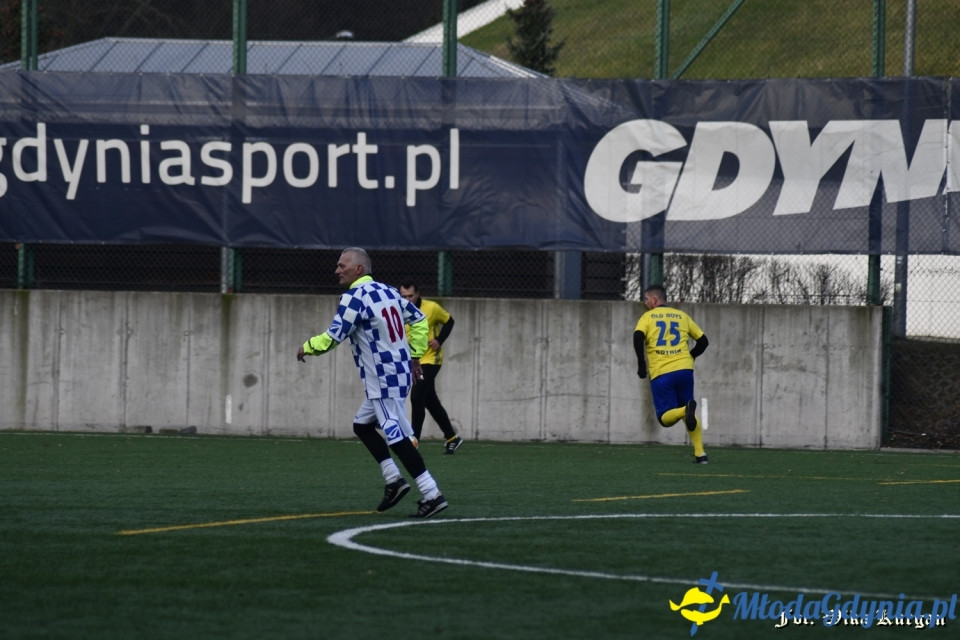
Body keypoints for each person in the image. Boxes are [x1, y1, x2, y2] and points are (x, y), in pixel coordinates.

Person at [296, 248, 448, 518]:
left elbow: (335, 335)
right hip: (397, 373)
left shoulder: (354, 297)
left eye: (342, 265)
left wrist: (307, 347)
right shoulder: (388, 291)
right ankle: (394, 480)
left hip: (383, 379)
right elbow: (419, 319)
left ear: (358, 269)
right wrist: (415, 355)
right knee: (362, 426)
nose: (337, 270)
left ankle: (432, 494)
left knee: (397, 438)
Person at [633, 284, 710, 464]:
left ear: (654, 300)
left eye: (646, 299)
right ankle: (701, 454)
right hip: (685, 370)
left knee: (665, 418)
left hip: (662, 372)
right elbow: (704, 341)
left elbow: (637, 336)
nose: (645, 303)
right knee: (687, 413)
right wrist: (691, 356)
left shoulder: (648, 317)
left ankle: (685, 410)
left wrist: (641, 364)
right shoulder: (682, 316)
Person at [398, 281, 463, 454]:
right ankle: (452, 437)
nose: (407, 300)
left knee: (416, 396)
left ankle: (414, 439)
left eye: (411, 296)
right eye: (404, 296)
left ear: (418, 294)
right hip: (413, 360)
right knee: (429, 400)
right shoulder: (399, 309)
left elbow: (449, 321)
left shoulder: (432, 308)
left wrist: (439, 340)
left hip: (430, 359)